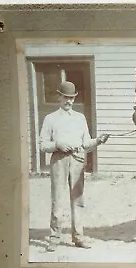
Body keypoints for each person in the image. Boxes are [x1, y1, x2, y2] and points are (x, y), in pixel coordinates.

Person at [39, 81, 109, 252]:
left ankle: (78, 237)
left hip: (77, 159)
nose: (69, 101)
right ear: (59, 97)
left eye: (72, 98)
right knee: (58, 199)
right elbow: (42, 145)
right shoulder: (50, 119)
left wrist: (98, 141)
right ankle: (54, 238)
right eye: (65, 97)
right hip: (59, 160)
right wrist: (57, 144)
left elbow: (86, 143)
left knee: (78, 200)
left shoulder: (80, 118)